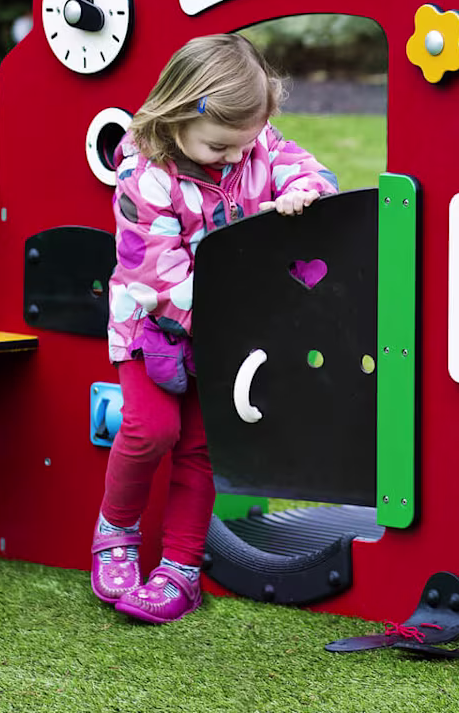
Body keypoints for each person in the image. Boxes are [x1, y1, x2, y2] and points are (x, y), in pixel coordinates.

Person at [92, 33, 339, 624]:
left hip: (225, 338)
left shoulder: (255, 145)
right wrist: (233, 319)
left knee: (203, 449)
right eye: (220, 146)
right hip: (154, 331)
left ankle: (179, 568)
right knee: (150, 430)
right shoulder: (144, 177)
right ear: (178, 116)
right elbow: (158, 278)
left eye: (244, 145)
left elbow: (313, 172)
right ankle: (116, 530)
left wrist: (302, 195)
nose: (235, 158)